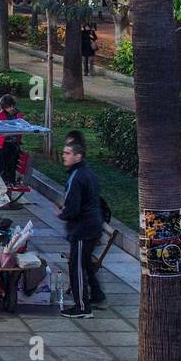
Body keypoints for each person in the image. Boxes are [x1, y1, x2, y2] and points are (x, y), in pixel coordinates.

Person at [58, 131, 106, 317]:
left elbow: (72, 208)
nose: (64, 156)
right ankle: (94, 297)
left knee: (76, 267)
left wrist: (62, 214)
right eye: (64, 152)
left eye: (68, 153)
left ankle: (82, 308)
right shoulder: (86, 173)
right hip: (92, 226)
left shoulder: (76, 177)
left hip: (83, 229)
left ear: (78, 156)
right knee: (84, 265)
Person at [0, 94, 24, 184]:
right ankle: (0, 182)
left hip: (13, 144)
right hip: (2, 145)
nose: (10, 108)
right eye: (7, 107)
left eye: (11, 106)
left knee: (11, 165)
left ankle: (10, 182)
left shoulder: (18, 115)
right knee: (1, 166)